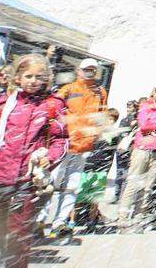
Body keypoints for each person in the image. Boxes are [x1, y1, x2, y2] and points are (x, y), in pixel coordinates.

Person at [0, 53, 68, 268]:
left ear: (47, 78)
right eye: (28, 76)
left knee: (18, 233)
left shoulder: (52, 105)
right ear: (17, 77)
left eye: (39, 76)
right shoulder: (4, 103)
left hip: (27, 178)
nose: (34, 81)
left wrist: (51, 157)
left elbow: (61, 139)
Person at [41, 58, 108, 239]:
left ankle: (60, 222)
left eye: (93, 70)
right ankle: (39, 220)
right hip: (63, 145)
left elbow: (102, 115)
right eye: (86, 69)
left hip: (83, 147)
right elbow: (53, 108)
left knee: (72, 187)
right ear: (79, 70)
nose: (89, 72)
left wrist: (96, 134)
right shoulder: (69, 89)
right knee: (50, 184)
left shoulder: (100, 92)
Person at [117, 86, 156, 230]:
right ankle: (123, 217)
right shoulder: (145, 107)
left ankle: (138, 216)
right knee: (133, 182)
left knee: (147, 186)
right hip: (142, 149)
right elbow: (143, 126)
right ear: (153, 93)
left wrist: (155, 126)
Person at [75, 107, 122, 233]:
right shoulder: (96, 132)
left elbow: (112, 153)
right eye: (108, 118)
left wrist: (108, 166)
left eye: (113, 119)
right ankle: (80, 218)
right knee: (83, 193)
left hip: (102, 166)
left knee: (95, 195)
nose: (110, 121)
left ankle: (92, 221)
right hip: (89, 163)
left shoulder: (114, 135)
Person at [113, 99, 139, 199]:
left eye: (130, 107)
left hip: (127, 149)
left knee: (123, 172)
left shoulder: (133, 120)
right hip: (121, 147)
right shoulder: (125, 119)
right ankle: (118, 193)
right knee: (120, 171)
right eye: (128, 107)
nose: (128, 109)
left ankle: (120, 194)